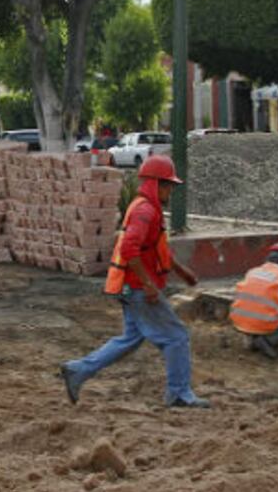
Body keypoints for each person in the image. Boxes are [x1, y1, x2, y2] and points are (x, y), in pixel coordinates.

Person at [59, 155, 210, 408]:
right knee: (176, 336)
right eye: (168, 185)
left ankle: (78, 370)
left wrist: (181, 270)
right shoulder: (145, 211)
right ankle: (179, 394)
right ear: (155, 184)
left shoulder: (147, 209)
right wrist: (148, 285)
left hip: (131, 287)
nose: (170, 191)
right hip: (139, 288)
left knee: (130, 339)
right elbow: (130, 249)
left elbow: (156, 248)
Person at [229, 242, 278, 359]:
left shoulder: (252, 272)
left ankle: (250, 337)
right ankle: (266, 341)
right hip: (262, 324)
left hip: (238, 320)